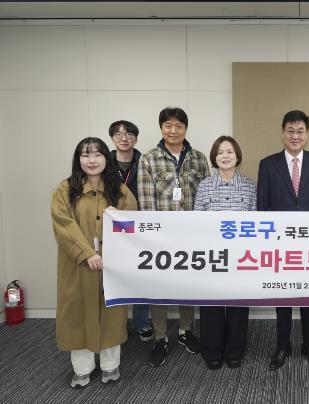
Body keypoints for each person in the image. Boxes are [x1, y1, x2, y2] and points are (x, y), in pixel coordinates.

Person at [51, 137, 137, 387]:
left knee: (111, 314)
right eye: (86, 154)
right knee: (77, 314)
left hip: (111, 264)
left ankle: (110, 365)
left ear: (106, 159)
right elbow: (63, 225)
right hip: (78, 264)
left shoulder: (119, 189)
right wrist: (88, 253)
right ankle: (82, 368)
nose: (91, 160)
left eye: (97, 154)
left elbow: (134, 223)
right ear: (78, 159)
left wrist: (118, 217)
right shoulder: (65, 189)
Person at [257, 110, 309, 370]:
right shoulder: (268, 164)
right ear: (282, 133)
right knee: (283, 298)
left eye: (300, 131)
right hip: (280, 244)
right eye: (290, 131)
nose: (295, 136)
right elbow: (262, 206)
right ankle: (282, 345)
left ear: (307, 134)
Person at [138, 107, 210, 367]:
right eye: (168, 125)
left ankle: (185, 331)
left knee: (187, 285)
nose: (173, 130)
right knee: (158, 287)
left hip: (191, 236)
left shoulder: (199, 158)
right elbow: (146, 202)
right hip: (161, 237)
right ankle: (160, 337)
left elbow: (206, 196)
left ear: (185, 129)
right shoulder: (149, 158)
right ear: (161, 128)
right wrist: (155, 237)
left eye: (179, 126)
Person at [194, 136, 256, 370]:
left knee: (238, 306)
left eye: (229, 151)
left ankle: (234, 351)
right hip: (212, 255)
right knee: (212, 305)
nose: (225, 156)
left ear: (237, 156)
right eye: (220, 152)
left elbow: (256, 222)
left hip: (241, 256)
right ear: (214, 157)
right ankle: (212, 351)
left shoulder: (250, 185)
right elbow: (197, 222)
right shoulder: (204, 186)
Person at [108, 120, 153, 342]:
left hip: (138, 227)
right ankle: (112, 324)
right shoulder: (103, 162)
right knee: (110, 276)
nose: (124, 138)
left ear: (136, 138)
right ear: (112, 138)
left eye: (129, 134)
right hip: (109, 227)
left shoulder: (145, 161)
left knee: (140, 275)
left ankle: (141, 322)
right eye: (118, 134)